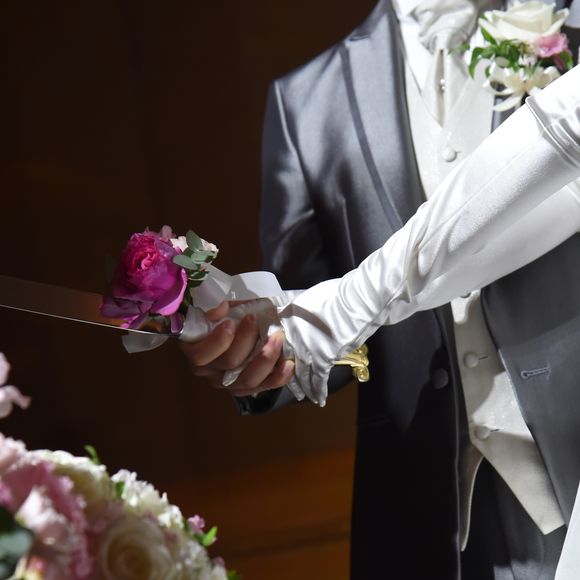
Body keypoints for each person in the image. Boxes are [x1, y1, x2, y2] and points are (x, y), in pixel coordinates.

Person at [181, 1, 580, 578]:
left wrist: (339, 310)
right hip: (430, 509)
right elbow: (305, 312)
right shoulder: (305, 101)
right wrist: (258, 348)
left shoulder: (565, 17)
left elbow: (560, 156)